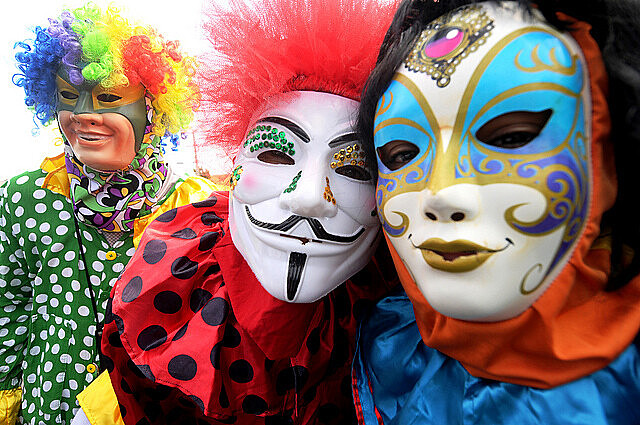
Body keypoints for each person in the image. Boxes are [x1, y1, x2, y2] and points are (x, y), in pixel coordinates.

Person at [70, 0, 399, 424]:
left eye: (354, 167)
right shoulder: (180, 275)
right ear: (237, 161)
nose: (308, 197)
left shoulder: (389, 296)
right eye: (276, 153)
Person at [352, 0, 640, 423]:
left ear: (607, 150)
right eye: (401, 155)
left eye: (511, 137)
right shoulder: (389, 345)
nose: (441, 194)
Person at [0, 4, 218, 424]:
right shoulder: (24, 198)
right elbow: (9, 310)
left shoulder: (194, 206)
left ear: (153, 109)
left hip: (149, 411)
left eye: (109, 98)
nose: (83, 113)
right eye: (69, 96)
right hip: (50, 408)